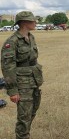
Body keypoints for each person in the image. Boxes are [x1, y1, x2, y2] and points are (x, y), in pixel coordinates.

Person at [1, 11, 43, 139]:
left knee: (32, 112)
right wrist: (13, 90)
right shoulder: (12, 41)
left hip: (33, 80)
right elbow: (8, 67)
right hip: (22, 84)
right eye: (32, 21)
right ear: (24, 23)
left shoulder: (31, 37)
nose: (35, 23)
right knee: (24, 117)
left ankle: (25, 135)